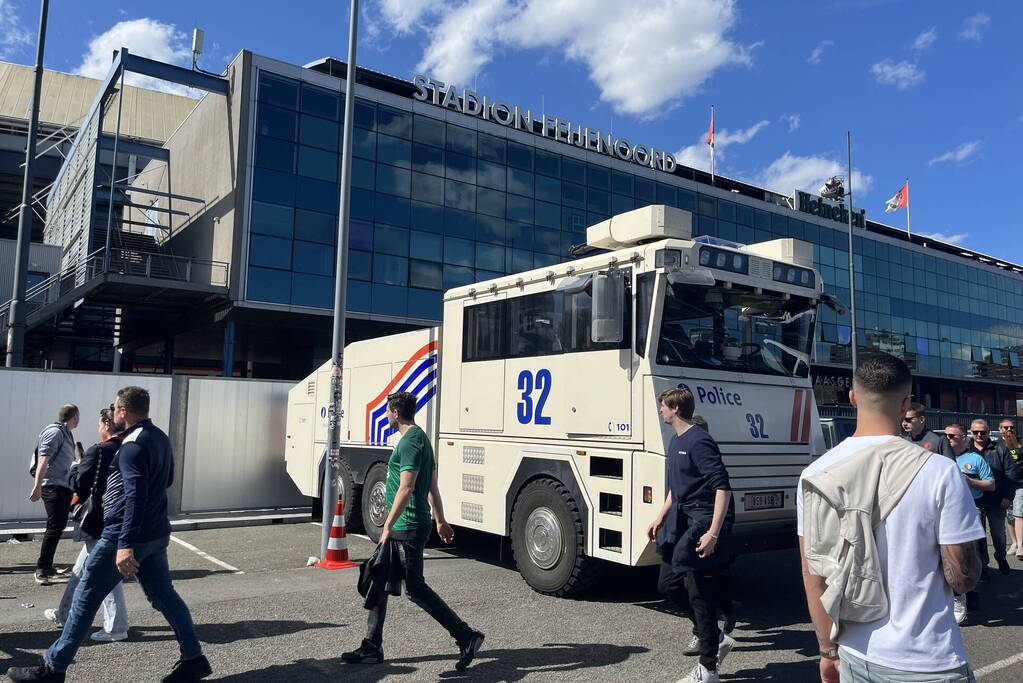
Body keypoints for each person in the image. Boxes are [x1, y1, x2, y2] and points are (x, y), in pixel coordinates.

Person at [7, 386, 212, 683]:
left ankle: (52, 669)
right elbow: (166, 480)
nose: (113, 412)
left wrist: (125, 544)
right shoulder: (160, 438)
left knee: (84, 600)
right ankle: (194, 658)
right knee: (164, 596)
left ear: (123, 411)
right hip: (154, 533)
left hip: (123, 535)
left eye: (115, 408)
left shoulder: (131, 446)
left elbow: (135, 495)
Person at [799, 354, 983, 683]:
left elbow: (814, 574)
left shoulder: (814, 474)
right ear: (905, 404)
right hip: (928, 659)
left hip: (856, 652)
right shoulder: (940, 471)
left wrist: (827, 650)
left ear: (852, 398)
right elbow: (962, 577)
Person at [341, 391, 485, 672]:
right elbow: (431, 486)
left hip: (406, 527)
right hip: (412, 524)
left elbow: (407, 488)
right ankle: (371, 646)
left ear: (395, 413)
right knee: (379, 579)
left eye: (387, 411)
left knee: (415, 589)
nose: (386, 416)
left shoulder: (410, 442)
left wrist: (387, 526)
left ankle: (466, 635)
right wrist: (440, 520)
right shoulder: (422, 440)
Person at [648, 388, 735, 683]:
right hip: (679, 519)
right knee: (668, 586)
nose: (660, 410)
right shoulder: (676, 440)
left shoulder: (700, 441)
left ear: (674, 408)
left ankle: (708, 668)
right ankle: (712, 634)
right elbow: (676, 486)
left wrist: (713, 532)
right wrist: (660, 516)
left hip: (701, 520)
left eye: (663, 406)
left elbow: (722, 487)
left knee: (700, 595)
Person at [44, 407, 129, 642]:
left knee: (106, 574)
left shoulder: (98, 451)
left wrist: (74, 468)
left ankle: (117, 627)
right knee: (80, 571)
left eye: (100, 423)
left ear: (107, 424)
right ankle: (64, 614)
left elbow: (79, 484)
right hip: (117, 515)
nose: (98, 427)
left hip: (96, 519)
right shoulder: (128, 447)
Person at [945, 422, 993, 625]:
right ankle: (953, 593)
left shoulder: (974, 459)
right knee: (948, 554)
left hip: (971, 508)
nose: (947, 439)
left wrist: (969, 481)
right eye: (945, 436)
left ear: (963, 437)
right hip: (945, 510)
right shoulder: (939, 459)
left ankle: (971, 590)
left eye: (952, 436)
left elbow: (990, 484)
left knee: (971, 552)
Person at [29, 404, 80, 585]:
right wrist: (37, 487)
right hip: (52, 486)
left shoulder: (66, 433)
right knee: (54, 526)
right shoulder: (55, 433)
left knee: (57, 527)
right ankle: (42, 570)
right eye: (78, 415)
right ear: (74, 416)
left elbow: (61, 459)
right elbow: (44, 459)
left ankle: (48, 566)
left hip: (62, 486)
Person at [968, 419, 1019, 576]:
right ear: (971, 432)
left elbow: (1011, 473)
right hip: (975, 501)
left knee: (998, 535)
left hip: (997, 499)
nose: (979, 435)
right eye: (975, 432)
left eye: (982, 432)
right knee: (979, 536)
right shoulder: (966, 449)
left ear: (988, 432)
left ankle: (1001, 557)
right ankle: (983, 566)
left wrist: (1008, 497)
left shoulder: (1000, 448)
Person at [997, 420, 1023, 560]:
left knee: (1019, 514)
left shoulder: (1020, 443)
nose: (1009, 429)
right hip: (1004, 485)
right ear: (1000, 429)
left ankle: (1020, 546)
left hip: (1019, 484)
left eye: (1012, 427)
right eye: (1006, 427)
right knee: (1010, 516)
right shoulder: (997, 445)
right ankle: (1014, 542)